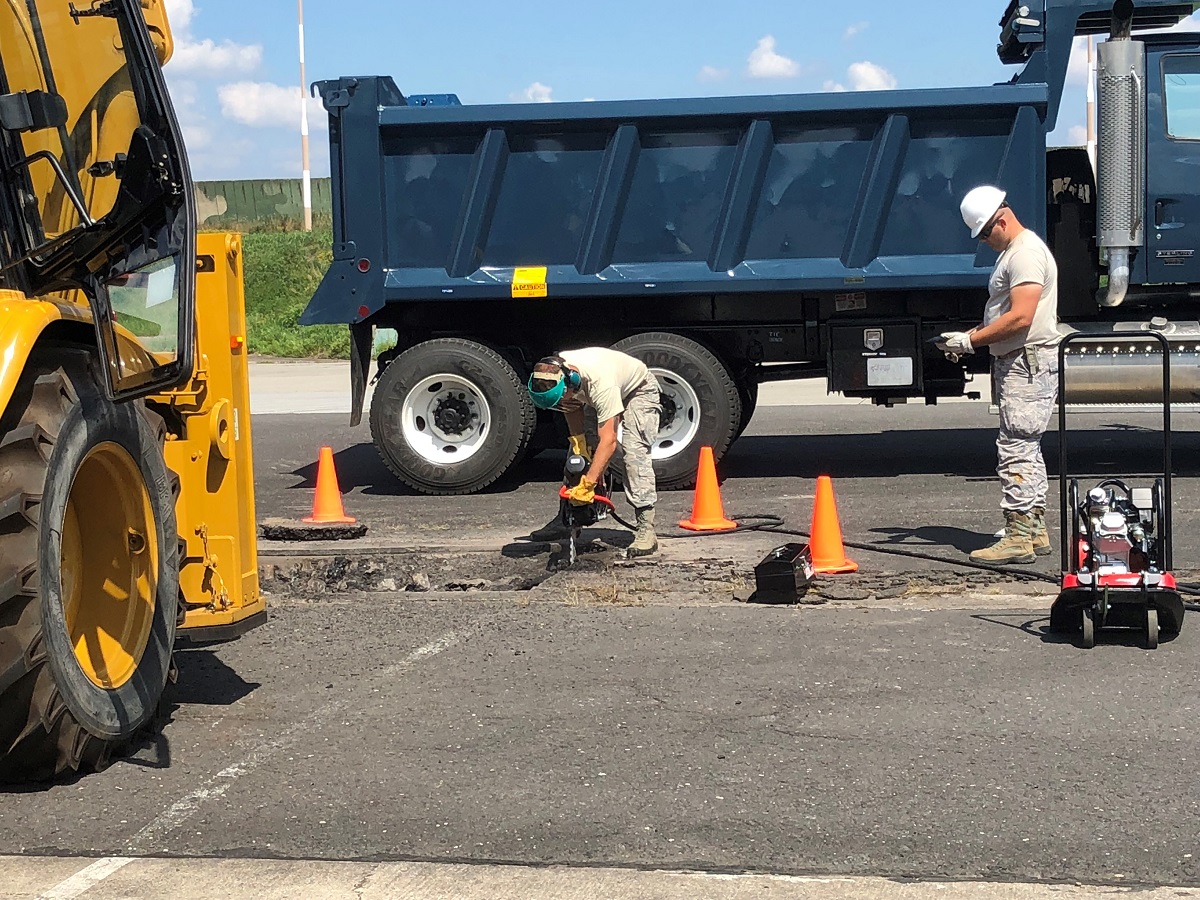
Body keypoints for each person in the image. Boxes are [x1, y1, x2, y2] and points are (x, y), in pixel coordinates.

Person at [939, 185, 1061, 565]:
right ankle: (1034, 529)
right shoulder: (1019, 251)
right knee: (1026, 446)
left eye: (986, 233)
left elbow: (1022, 317)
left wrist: (971, 341)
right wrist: (972, 336)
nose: (985, 241)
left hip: (1025, 363)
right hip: (1025, 361)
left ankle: (1019, 536)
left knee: (1016, 449)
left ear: (1002, 219)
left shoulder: (1023, 255)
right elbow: (1006, 312)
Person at [526, 348, 662, 558]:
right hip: (592, 393)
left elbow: (608, 442)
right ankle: (567, 517)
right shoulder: (557, 373)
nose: (562, 402)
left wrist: (589, 483)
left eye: (562, 397)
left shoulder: (601, 384)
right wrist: (580, 444)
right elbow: (570, 407)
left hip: (637, 391)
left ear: (569, 383)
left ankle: (646, 528)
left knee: (634, 454)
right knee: (577, 456)